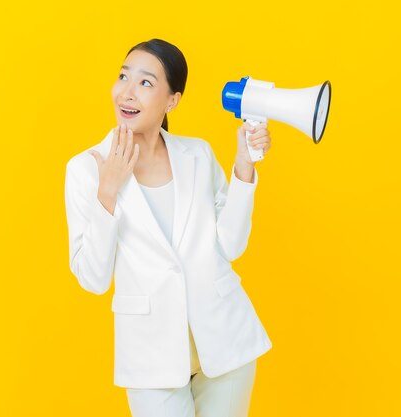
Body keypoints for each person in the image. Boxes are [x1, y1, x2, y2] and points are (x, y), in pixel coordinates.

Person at [64, 38, 273, 417]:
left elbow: (232, 245)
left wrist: (244, 167)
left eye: (145, 83)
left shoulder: (198, 154)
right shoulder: (85, 169)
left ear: (172, 101)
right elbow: (92, 278)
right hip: (151, 359)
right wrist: (107, 189)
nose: (127, 92)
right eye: (123, 76)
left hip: (226, 344)